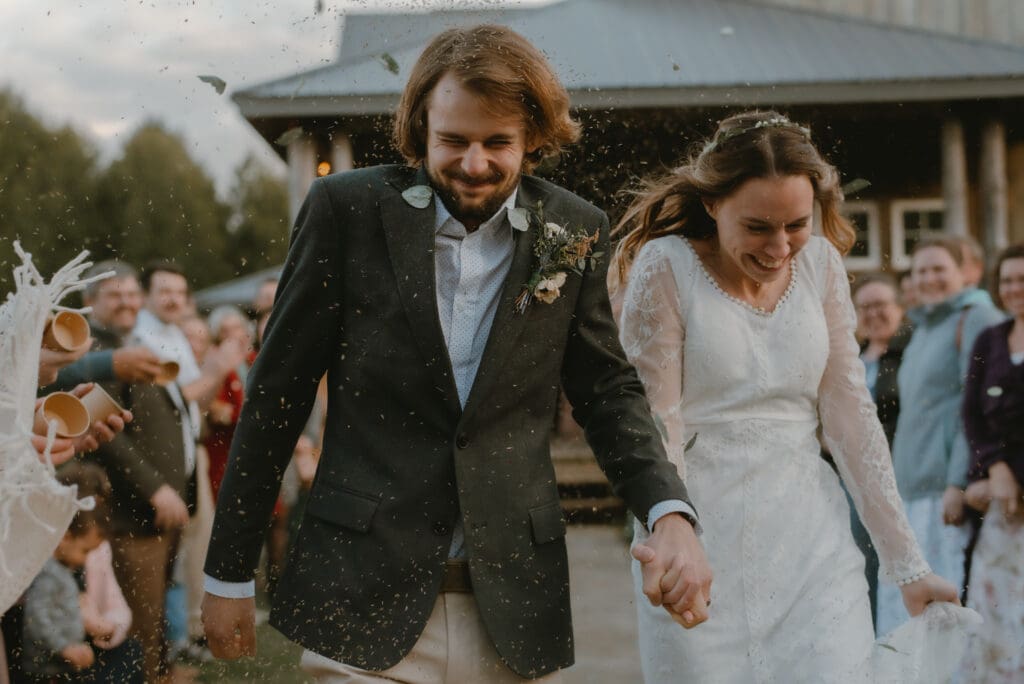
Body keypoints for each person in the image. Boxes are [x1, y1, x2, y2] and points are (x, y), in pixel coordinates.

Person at [202, 24, 708, 682]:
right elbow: (277, 395)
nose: (475, 163)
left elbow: (609, 395)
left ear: (531, 139)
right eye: (454, 141)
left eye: (497, 142)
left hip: (512, 606)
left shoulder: (572, 228)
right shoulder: (345, 210)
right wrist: (230, 573)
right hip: (358, 595)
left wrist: (668, 512)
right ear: (420, 128)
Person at [611, 110, 959, 682]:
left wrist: (908, 567)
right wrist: (671, 534)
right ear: (713, 204)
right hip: (699, 540)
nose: (779, 247)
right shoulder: (666, 266)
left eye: (796, 224)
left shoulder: (821, 265)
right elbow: (655, 422)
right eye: (758, 227)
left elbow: (851, 420)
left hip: (812, 544)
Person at [876, 237, 1005, 634]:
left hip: (943, 493)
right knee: (911, 615)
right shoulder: (925, 326)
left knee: (945, 614)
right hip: (911, 488)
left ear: (962, 273)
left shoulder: (975, 316)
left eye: (939, 269)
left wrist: (958, 480)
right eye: (921, 271)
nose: (929, 278)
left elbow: (977, 404)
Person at [959, 243, 1024, 682]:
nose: (1015, 288)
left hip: (1015, 495)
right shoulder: (990, 340)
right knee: (995, 611)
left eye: (1023, 279)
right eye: (1007, 280)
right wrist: (995, 469)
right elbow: (970, 414)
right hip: (1002, 510)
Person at [851, 272, 910, 624]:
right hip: (853, 475)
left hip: (894, 472)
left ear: (900, 308)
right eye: (865, 307)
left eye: (881, 305)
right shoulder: (854, 356)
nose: (873, 314)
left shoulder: (908, 354)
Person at [20, 505, 106, 681]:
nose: (86, 558)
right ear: (65, 538)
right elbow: (35, 617)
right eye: (85, 551)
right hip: (45, 668)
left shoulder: (64, 571)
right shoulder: (49, 575)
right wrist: (64, 647)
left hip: (60, 664)